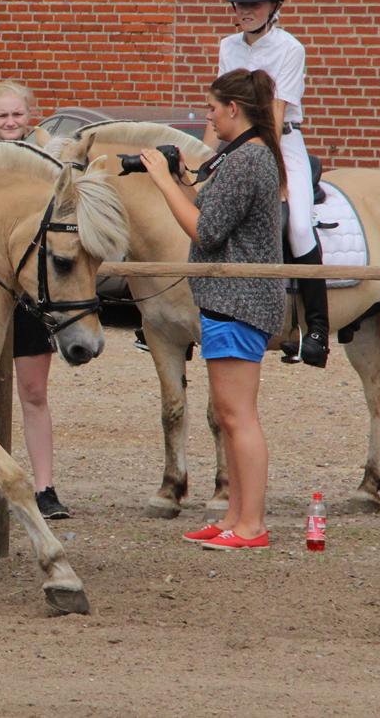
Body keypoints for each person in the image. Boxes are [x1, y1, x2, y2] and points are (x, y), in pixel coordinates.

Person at [142, 68, 286, 550]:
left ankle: (252, 525)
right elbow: (209, 212)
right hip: (228, 298)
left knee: (237, 414)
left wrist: (163, 183)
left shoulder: (248, 158)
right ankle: (236, 515)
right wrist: (183, 180)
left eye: (211, 108)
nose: (206, 116)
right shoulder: (239, 156)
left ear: (233, 109)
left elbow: (206, 231)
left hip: (240, 299)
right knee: (229, 414)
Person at [203, 0, 327, 368]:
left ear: (274, 5)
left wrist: (273, 174)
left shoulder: (290, 49)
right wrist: (205, 161)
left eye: (253, 3)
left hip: (281, 140)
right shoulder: (228, 46)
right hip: (236, 138)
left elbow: (272, 115)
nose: (244, 10)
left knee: (295, 223)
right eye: (239, 3)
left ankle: (317, 329)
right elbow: (222, 106)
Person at [0, 80, 71, 520]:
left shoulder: (46, 166)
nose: (11, 122)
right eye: (2, 115)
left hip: (29, 297)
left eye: (17, 114)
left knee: (34, 392)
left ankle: (45, 487)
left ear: (30, 114)